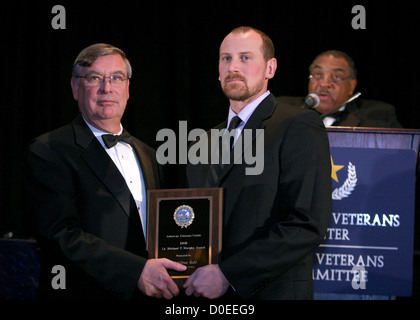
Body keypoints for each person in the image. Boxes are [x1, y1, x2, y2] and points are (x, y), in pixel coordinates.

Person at [23, 43, 186, 299]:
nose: (106, 88)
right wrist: (135, 272)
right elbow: (60, 235)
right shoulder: (49, 150)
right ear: (75, 88)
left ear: (128, 88)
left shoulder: (149, 155)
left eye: (116, 78)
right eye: (94, 78)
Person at [184, 27, 332, 299]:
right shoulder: (200, 142)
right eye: (226, 58)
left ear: (270, 68)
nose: (234, 67)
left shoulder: (297, 125)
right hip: (204, 296)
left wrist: (229, 274)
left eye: (245, 58)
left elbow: (306, 223)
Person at [277, 50, 402, 128]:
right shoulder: (282, 109)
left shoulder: (379, 116)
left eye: (336, 77)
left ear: (351, 86)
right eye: (318, 75)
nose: (324, 84)